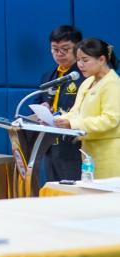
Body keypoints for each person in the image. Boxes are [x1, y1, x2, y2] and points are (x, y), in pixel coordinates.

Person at [54, 38, 120, 178]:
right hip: (88, 152)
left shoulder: (113, 84)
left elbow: (110, 120)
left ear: (102, 59)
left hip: (109, 154)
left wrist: (73, 124)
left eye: (85, 60)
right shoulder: (88, 82)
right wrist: (56, 120)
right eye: (78, 60)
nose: (80, 64)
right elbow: (75, 112)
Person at [39, 25, 85, 186]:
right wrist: (43, 106)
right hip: (50, 145)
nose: (59, 54)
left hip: (74, 146)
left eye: (65, 49)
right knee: (54, 190)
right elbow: (37, 100)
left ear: (78, 48)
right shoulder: (48, 76)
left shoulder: (84, 76)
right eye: (55, 49)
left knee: (74, 191)